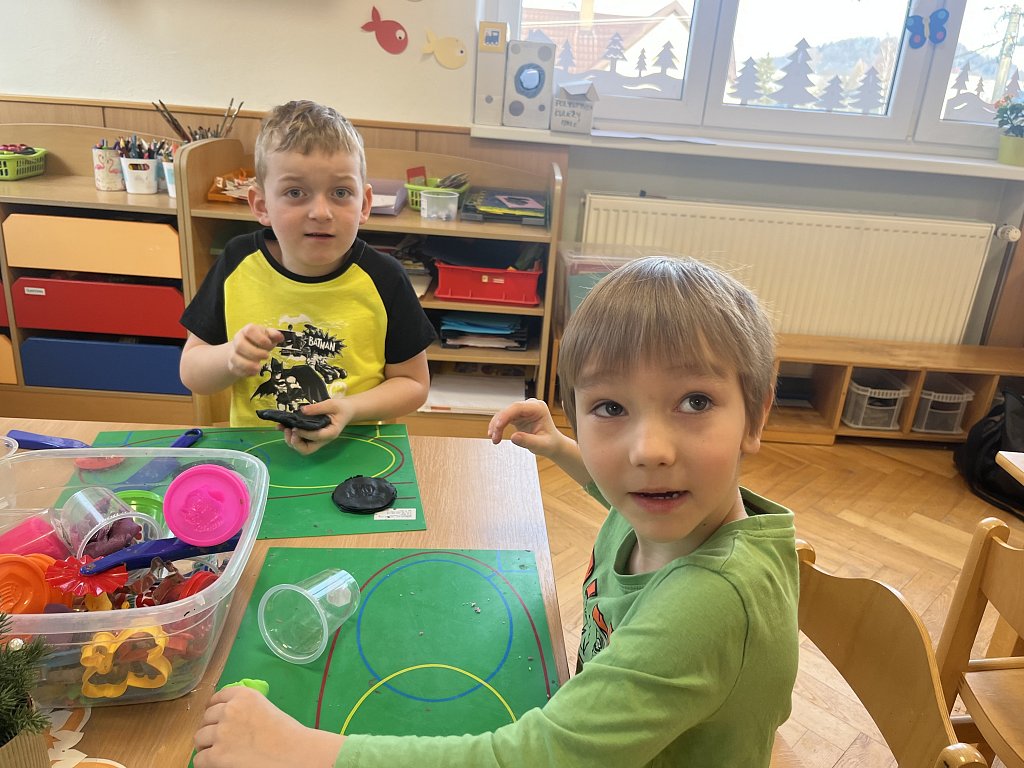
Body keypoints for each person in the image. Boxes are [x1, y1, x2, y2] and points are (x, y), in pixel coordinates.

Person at [192, 256, 799, 767]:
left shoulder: (709, 605)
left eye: (695, 402)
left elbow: (535, 758)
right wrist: (560, 447)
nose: (649, 452)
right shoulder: (675, 506)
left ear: (758, 414)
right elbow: (614, 493)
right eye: (611, 408)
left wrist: (303, 752)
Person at [179, 100, 435, 454]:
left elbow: (414, 384)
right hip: (259, 454)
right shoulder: (238, 262)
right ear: (261, 205)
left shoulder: (385, 277)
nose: (320, 212)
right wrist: (230, 357)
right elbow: (192, 372)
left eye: (341, 193)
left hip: (357, 452)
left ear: (364, 204)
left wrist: (350, 409)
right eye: (295, 193)